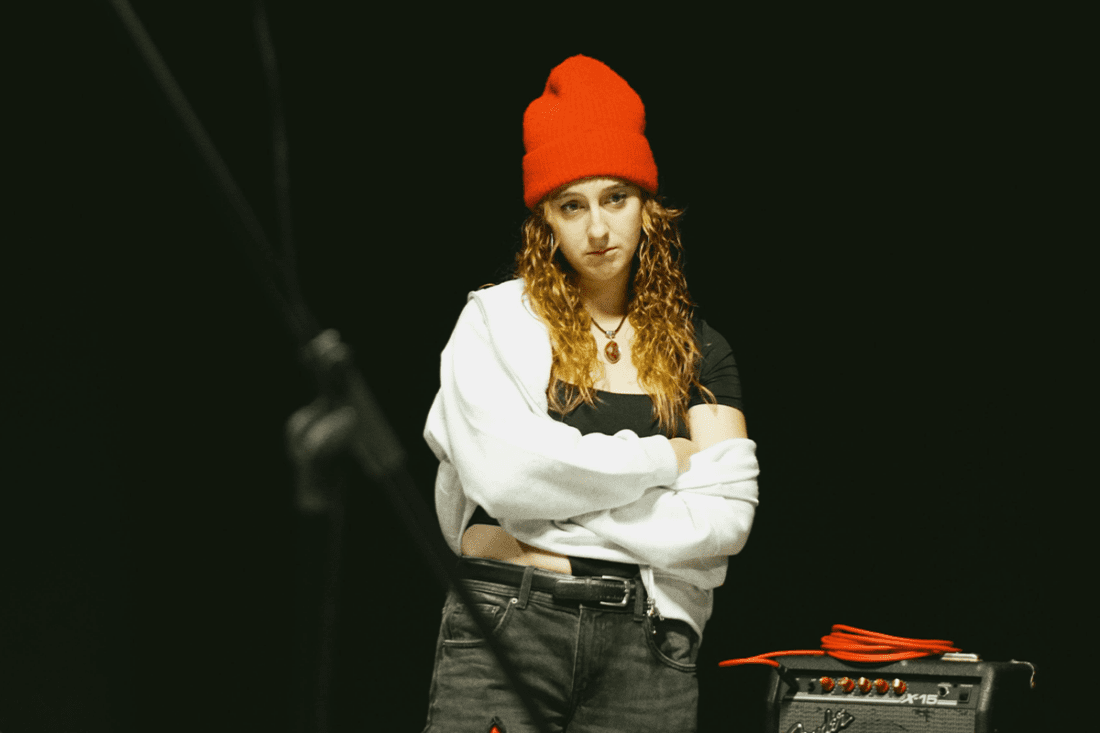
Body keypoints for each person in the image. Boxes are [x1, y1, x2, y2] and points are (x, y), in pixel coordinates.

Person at [421, 55, 760, 732]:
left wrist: (543, 514)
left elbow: (724, 522)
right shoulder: (494, 322)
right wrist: (665, 461)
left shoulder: (698, 347)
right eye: (572, 205)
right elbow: (507, 477)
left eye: (615, 198)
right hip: (508, 623)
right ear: (545, 218)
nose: (597, 229)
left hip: (646, 644)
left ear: (648, 205)